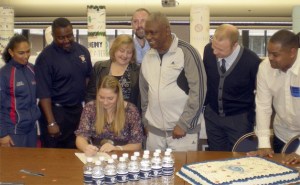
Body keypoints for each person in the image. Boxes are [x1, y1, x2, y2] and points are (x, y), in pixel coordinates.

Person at [139, 12, 207, 151]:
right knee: (154, 173)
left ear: (167, 31)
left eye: (153, 33)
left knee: (181, 172)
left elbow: (199, 91)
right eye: (146, 33)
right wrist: (146, 122)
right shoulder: (147, 57)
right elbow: (144, 93)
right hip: (154, 134)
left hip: (182, 133)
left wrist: (184, 124)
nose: (149, 37)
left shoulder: (187, 52)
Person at [35, 17, 92, 148]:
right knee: (53, 156)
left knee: (76, 150)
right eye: (61, 38)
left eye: (69, 36)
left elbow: (88, 77)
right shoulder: (45, 57)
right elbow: (44, 93)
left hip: (77, 111)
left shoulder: (82, 51)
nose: (66, 40)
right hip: (55, 112)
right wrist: (51, 122)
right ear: (54, 36)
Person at [203, 24, 260, 151]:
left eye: (221, 50)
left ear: (235, 45)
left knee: (240, 158)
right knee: (215, 157)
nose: (215, 52)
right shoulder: (208, 51)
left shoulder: (252, 61)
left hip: (240, 120)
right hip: (213, 116)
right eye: (214, 47)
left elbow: (260, 94)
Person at [247, 30, 300, 164]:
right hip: (282, 133)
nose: (269, 57)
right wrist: (264, 143)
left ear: (292, 52)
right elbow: (263, 106)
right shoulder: (265, 68)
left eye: (275, 55)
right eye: (268, 53)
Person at [76, 76, 143, 155]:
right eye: (101, 97)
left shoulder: (131, 110)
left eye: (110, 98)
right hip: (97, 155)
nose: (105, 102)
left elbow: (137, 144)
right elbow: (81, 137)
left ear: (118, 96)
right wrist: (86, 147)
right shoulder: (90, 108)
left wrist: (117, 148)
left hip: (122, 155)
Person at [0, 34, 41, 147]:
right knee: (15, 165)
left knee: (31, 164)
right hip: (14, 131)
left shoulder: (32, 69)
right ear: (11, 52)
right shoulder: (4, 74)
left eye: (28, 51)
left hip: (32, 129)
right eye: (21, 53)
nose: (26, 56)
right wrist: (2, 134)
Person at [85, 34, 140, 106]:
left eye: (129, 52)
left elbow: (140, 99)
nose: (125, 55)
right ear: (114, 50)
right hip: (102, 114)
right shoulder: (99, 67)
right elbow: (90, 95)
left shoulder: (138, 71)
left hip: (128, 115)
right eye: (122, 51)